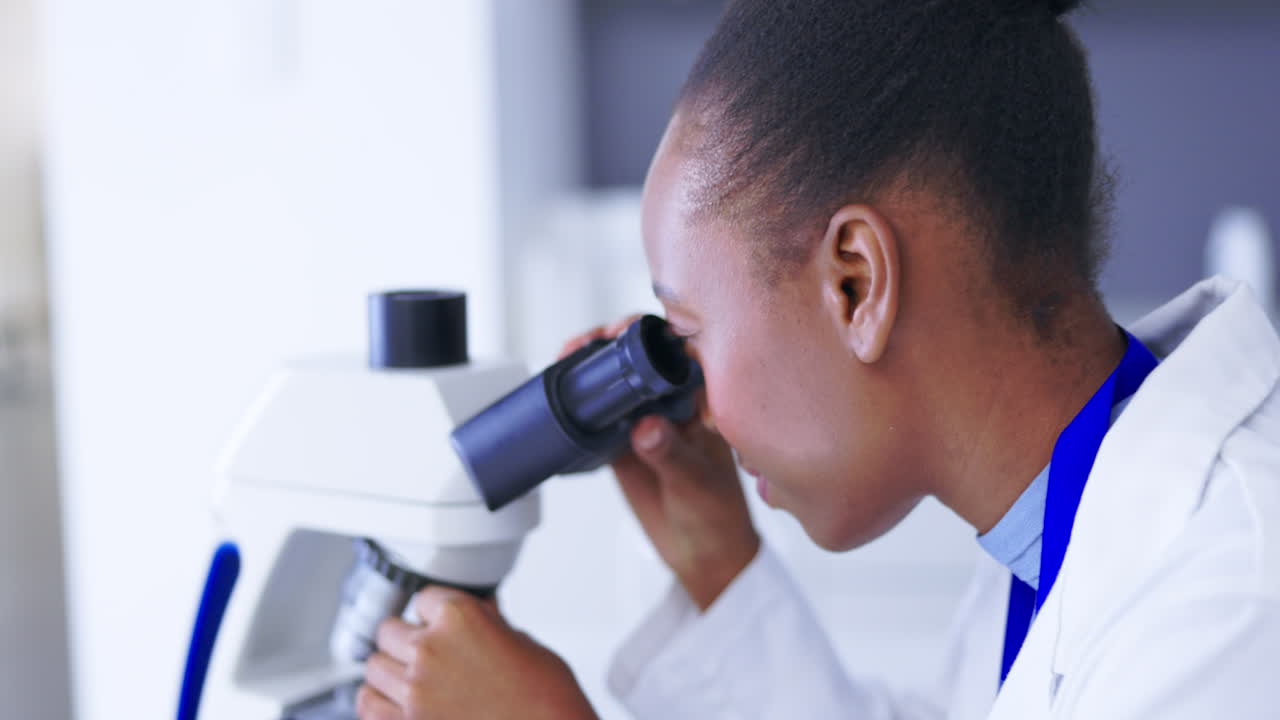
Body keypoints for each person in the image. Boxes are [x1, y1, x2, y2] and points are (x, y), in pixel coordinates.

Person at [354, 0, 1280, 717]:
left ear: (855, 283)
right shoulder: (1060, 532)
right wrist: (717, 562)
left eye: (690, 332)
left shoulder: (1230, 599)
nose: (700, 407)